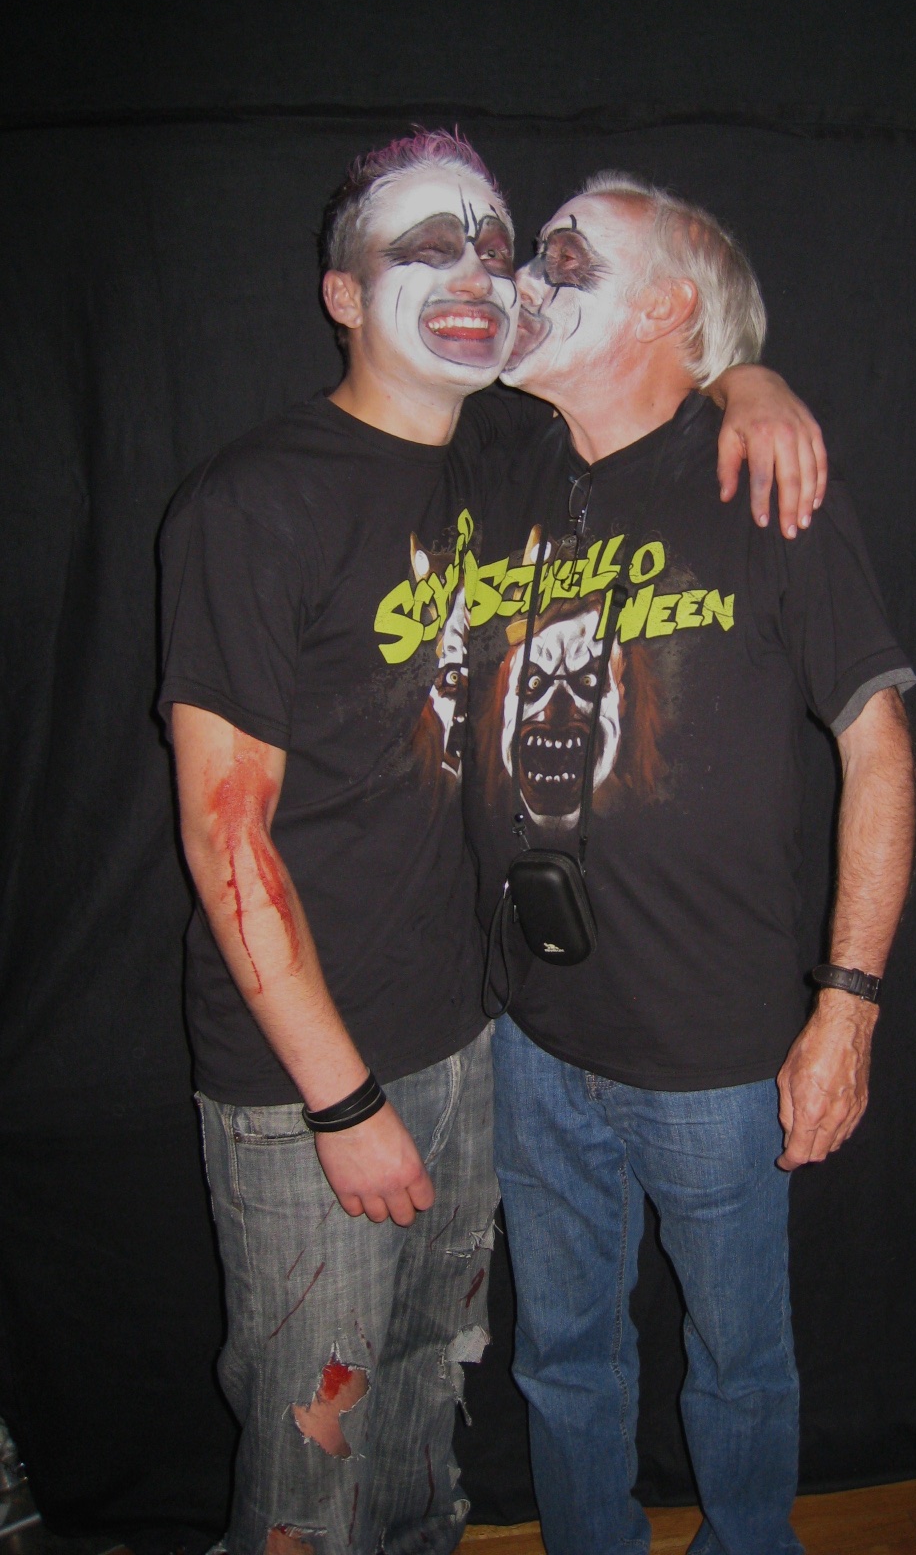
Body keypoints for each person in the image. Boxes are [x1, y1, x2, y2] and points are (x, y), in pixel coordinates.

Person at [158, 131, 827, 1555]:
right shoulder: (252, 500)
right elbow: (225, 832)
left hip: (471, 1048)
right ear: (343, 295)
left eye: (492, 244)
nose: (478, 273)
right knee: (312, 1442)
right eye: (425, 248)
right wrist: (339, 1100)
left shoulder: (507, 461)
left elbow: (663, 380)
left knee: (421, 1414)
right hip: (311, 1071)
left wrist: (748, 376)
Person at [458, 173, 916, 1554]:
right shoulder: (500, 464)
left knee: (739, 1367)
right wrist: (744, 368)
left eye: (565, 254)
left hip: (716, 1055)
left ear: (664, 306)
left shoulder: (764, 481)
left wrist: (848, 1005)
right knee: (562, 1360)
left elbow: (879, 748)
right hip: (532, 1034)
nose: (527, 274)